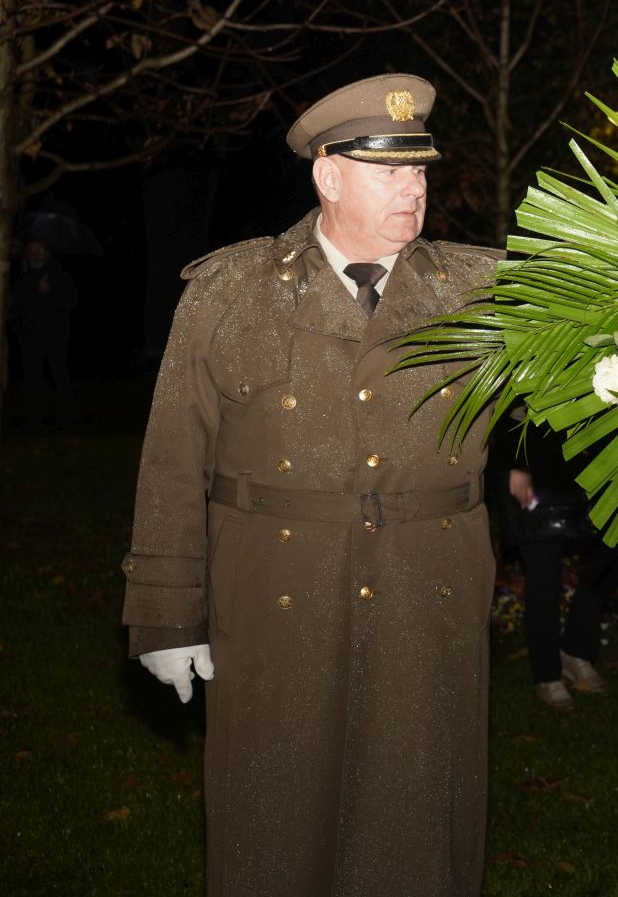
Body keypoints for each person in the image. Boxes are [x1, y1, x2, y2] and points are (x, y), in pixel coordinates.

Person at [121, 74, 503, 897]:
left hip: (423, 596)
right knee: (273, 819)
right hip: (274, 595)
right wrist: (164, 616)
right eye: (389, 171)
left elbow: (614, 368)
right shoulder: (233, 292)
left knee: (413, 825)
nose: (415, 188)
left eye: (422, 171)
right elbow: (173, 458)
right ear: (328, 176)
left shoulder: (484, 294)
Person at [501, 413, 618, 709]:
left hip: (590, 467)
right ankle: (548, 675)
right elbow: (509, 397)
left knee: (607, 560)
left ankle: (576, 649)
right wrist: (516, 462)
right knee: (544, 575)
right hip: (536, 468)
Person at [10, 238, 78, 429]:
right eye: (32, 251)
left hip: (55, 337)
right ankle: (34, 420)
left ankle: (65, 418)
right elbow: (17, 306)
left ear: (47, 252)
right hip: (30, 338)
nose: (36, 255)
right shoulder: (23, 276)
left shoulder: (58, 274)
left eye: (39, 251)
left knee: (60, 377)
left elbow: (71, 301)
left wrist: (51, 291)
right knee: (32, 380)